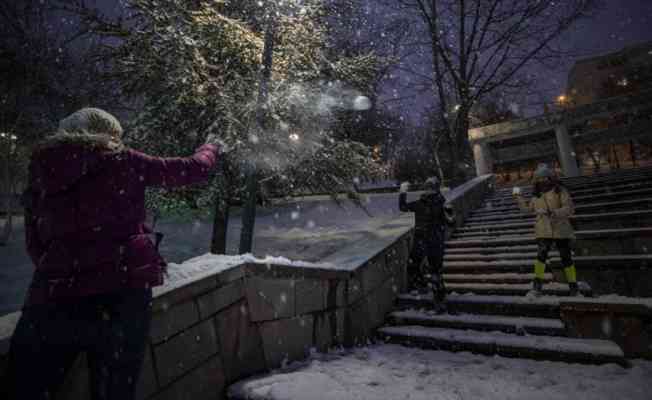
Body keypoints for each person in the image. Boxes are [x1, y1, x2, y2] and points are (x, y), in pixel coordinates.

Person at [4, 108, 223, 400]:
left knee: (27, 387)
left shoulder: (42, 168)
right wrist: (211, 146)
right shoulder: (124, 161)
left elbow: (35, 242)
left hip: (53, 298)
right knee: (114, 388)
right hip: (121, 295)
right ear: (109, 136)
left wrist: (65, 269)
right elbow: (192, 169)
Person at [513, 164, 579, 296]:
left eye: (544, 178)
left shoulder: (560, 190)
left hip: (560, 228)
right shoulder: (536, 195)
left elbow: (569, 208)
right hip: (543, 229)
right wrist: (518, 198)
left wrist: (554, 212)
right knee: (541, 256)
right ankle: (537, 285)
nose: (542, 181)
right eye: (539, 178)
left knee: (566, 257)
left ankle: (573, 286)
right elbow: (527, 210)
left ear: (550, 178)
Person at [399, 177, 456, 305]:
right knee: (424, 268)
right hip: (428, 241)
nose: (428, 189)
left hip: (429, 241)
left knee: (430, 270)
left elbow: (451, 222)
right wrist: (403, 192)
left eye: (430, 187)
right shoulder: (430, 203)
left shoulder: (436, 204)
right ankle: (432, 293)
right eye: (428, 187)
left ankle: (436, 296)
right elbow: (451, 222)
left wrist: (402, 192)